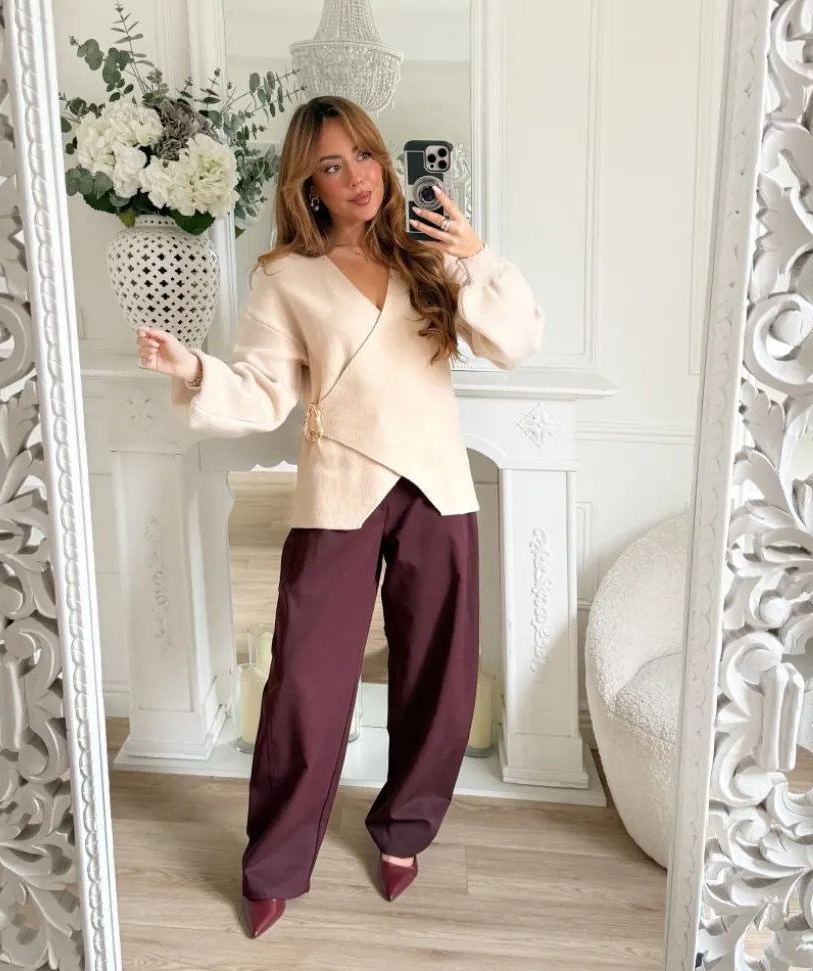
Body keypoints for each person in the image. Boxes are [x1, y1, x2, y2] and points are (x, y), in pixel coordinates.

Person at [136, 94, 544, 938]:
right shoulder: (285, 276)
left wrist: (473, 253)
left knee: (440, 678)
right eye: (331, 164)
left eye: (363, 154)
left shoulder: (428, 252)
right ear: (307, 185)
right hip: (340, 487)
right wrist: (193, 368)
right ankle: (275, 863)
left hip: (437, 484)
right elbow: (263, 390)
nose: (356, 176)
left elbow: (515, 342)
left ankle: (404, 828)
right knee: (305, 688)